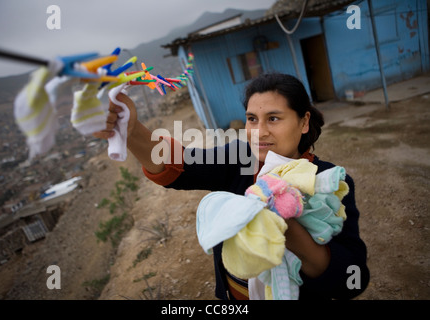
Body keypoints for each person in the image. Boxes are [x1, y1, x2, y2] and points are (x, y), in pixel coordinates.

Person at [93, 72, 370, 300]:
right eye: (252, 119)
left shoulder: (330, 182)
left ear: (304, 121)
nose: (259, 132)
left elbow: (351, 280)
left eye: (273, 118)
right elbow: (179, 166)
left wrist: (285, 228)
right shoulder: (238, 158)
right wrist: (130, 130)